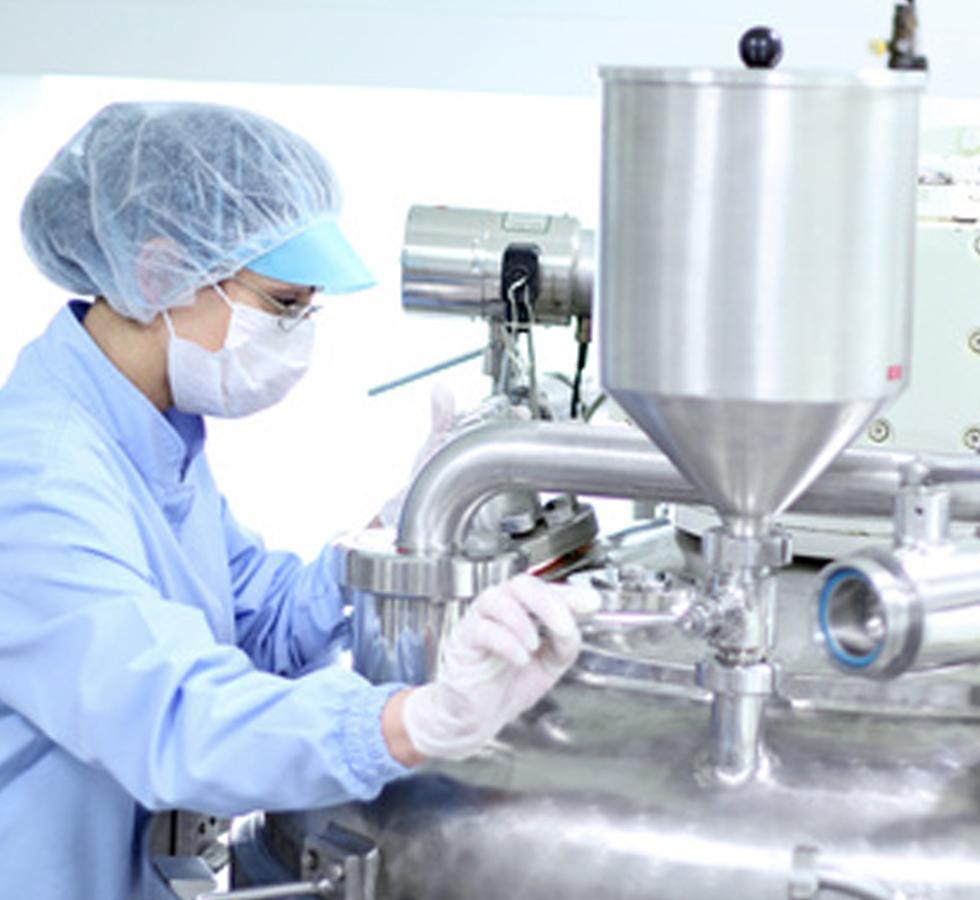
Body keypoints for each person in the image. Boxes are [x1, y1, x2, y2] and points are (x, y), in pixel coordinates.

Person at [0, 101, 593, 900]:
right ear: (155, 273)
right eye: (284, 304)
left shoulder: (147, 436)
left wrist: (399, 526)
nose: (299, 335)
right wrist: (421, 720)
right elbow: (173, 718)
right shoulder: (38, 477)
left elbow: (257, 621)